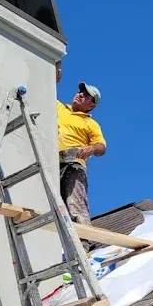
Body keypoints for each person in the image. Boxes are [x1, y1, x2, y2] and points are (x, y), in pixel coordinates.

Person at [57, 77, 106, 227]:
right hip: (51, 161)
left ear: (91, 105)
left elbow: (101, 147)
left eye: (85, 95)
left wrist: (91, 149)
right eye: (80, 92)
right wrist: (53, 78)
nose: (79, 95)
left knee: (75, 204)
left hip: (72, 162)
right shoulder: (59, 108)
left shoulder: (90, 123)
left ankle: (84, 241)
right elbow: (41, 91)